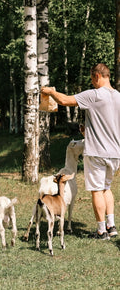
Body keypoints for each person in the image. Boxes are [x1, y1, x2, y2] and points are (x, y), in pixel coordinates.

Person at [41, 63, 120, 240]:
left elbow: (64, 100)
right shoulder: (118, 97)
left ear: (97, 76)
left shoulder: (94, 95)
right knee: (107, 188)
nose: (92, 83)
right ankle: (111, 226)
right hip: (115, 152)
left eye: (92, 79)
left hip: (97, 152)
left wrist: (50, 92)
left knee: (97, 190)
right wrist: (90, 131)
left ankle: (101, 231)